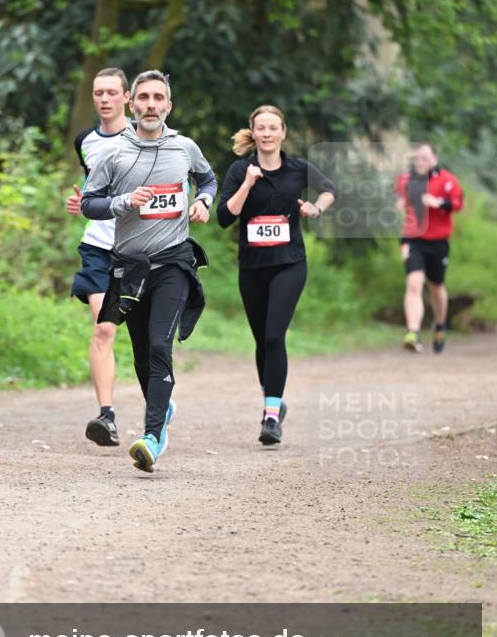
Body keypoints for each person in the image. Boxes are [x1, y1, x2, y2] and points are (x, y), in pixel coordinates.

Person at [81, 69, 217, 473]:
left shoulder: (184, 147)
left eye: (159, 98)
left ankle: (153, 437)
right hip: (129, 268)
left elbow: (207, 179)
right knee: (142, 356)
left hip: (174, 262)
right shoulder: (113, 153)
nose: (151, 105)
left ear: (168, 106)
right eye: (143, 98)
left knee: (161, 345)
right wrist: (123, 202)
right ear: (132, 103)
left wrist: (205, 201)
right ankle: (163, 403)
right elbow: (90, 203)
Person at [217, 105, 336, 446]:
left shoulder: (298, 168)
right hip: (252, 268)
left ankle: (270, 417)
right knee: (261, 341)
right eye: (261, 128)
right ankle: (274, 400)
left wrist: (316, 208)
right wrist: (248, 184)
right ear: (253, 133)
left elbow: (330, 189)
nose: (267, 134)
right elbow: (225, 217)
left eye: (273, 128)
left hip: (289, 263)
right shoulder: (240, 170)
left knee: (273, 336)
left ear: (283, 133)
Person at [67, 68, 131, 447]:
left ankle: (160, 402)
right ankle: (106, 416)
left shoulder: (146, 137)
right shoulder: (85, 140)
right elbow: (93, 189)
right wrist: (81, 203)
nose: (103, 99)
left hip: (140, 248)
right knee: (104, 328)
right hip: (97, 247)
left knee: (144, 338)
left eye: (111, 93)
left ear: (126, 97)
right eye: (97, 93)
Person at [395, 142, 464, 353]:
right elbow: (399, 200)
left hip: (438, 242)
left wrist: (438, 203)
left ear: (433, 159)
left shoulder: (447, 180)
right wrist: (397, 204)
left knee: (436, 287)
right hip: (413, 239)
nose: (420, 162)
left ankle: (440, 323)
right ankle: (413, 333)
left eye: (424, 158)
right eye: (417, 158)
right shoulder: (406, 179)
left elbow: (458, 204)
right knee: (414, 284)